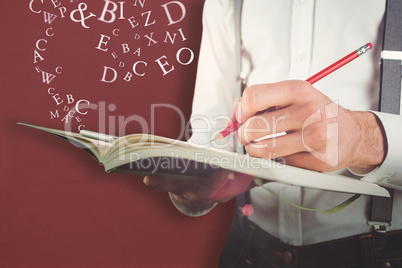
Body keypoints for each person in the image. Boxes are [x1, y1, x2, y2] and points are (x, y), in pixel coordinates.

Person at [144, 0, 402, 267]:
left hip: (380, 253)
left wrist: (363, 138)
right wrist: (197, 178)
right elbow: (212, 134)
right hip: (247, 249)